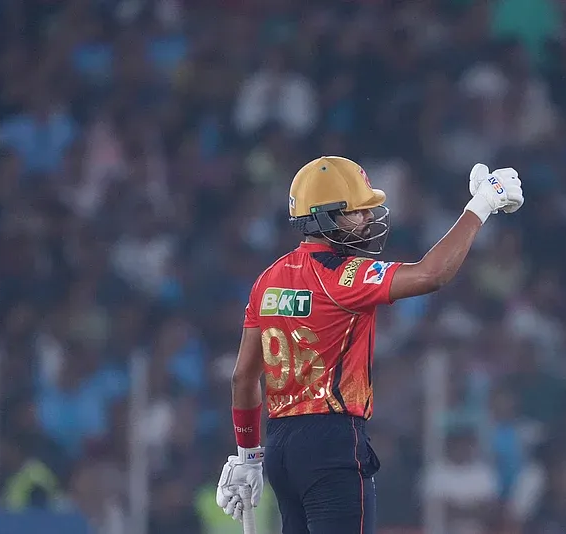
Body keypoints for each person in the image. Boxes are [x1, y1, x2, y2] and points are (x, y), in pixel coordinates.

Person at [215, 156, 525, 533]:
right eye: (356, 211)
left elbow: (243, 378)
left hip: (280, 446)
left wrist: (248, 454)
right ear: (325, 216)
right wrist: (482, 205)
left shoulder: (268, 279)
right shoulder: (344, 276)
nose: (366, 219)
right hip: (332, 442)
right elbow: (432, 274)